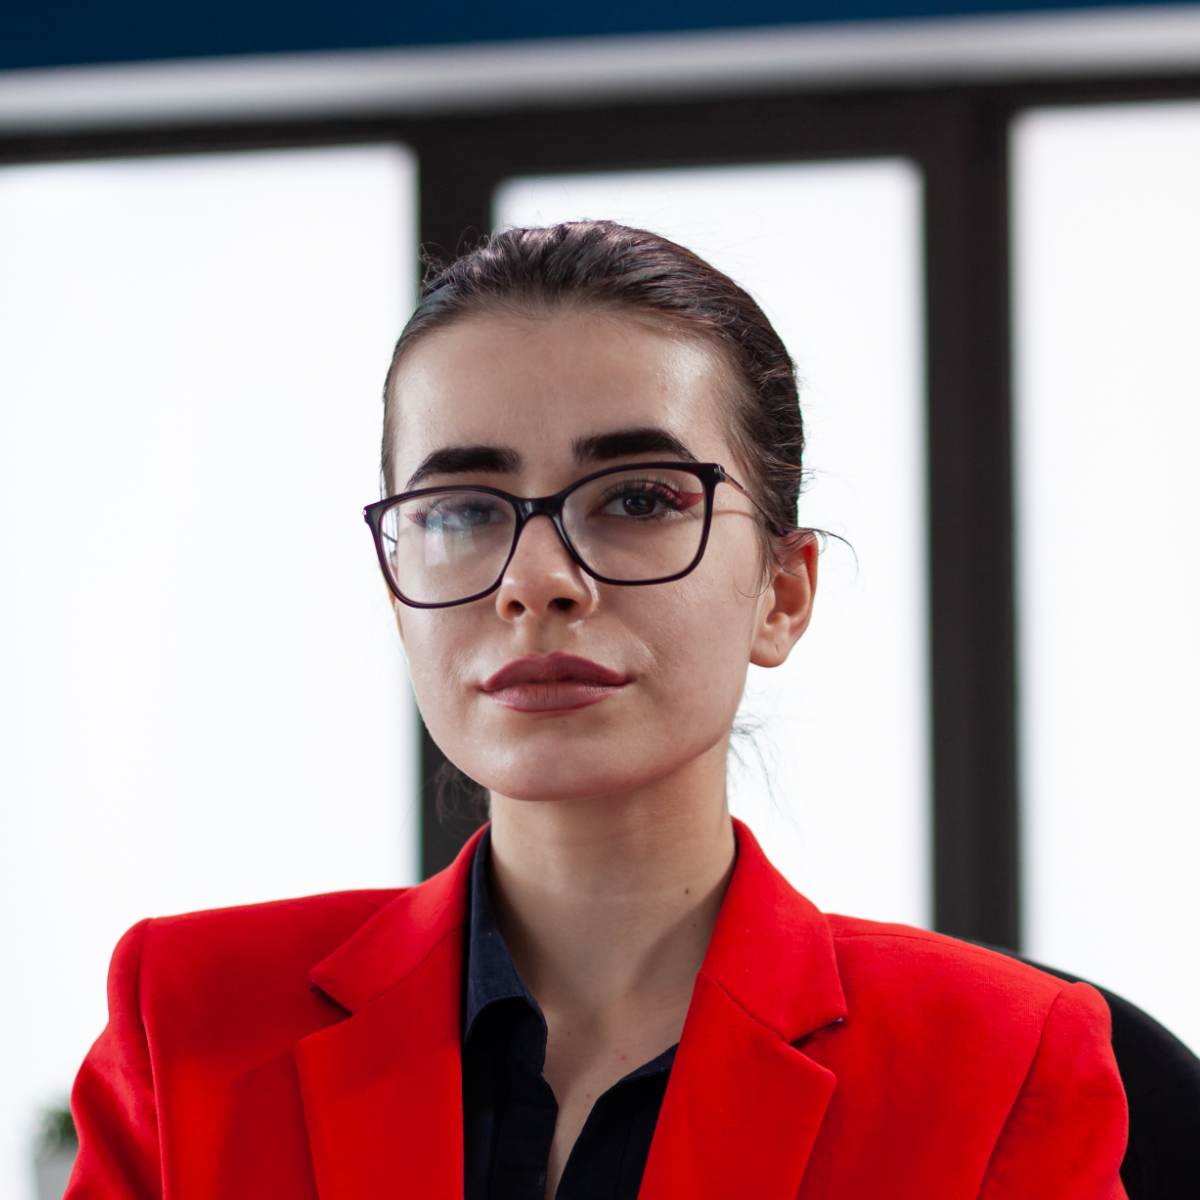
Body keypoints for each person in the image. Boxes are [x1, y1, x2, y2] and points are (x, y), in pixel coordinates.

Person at [66, 221, 1128, 1200]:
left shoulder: (997, 1063)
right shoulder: (189, 1023)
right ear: (398, 598)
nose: (535, 581)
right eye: (463, 510)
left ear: (783, 593)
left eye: (637, 498)